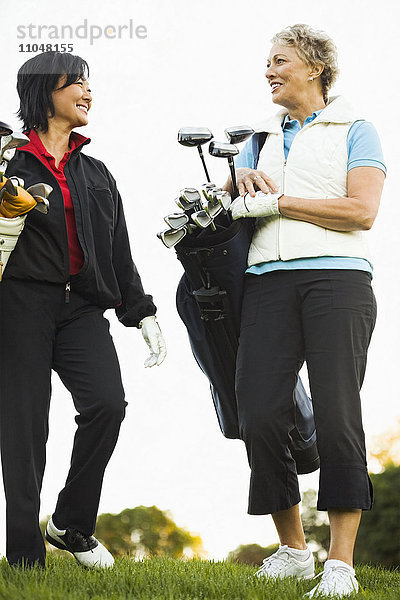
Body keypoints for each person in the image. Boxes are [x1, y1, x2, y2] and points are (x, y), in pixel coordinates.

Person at [227, 24, 385, 598]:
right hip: (266, 283)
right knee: (260, 413)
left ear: (315, 67)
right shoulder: (260, 135)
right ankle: (293, 549)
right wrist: (239, 175)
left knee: (339, 414)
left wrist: (283, 201)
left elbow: (362, 210)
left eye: (279, 61)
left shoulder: (357, 129)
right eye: (267, 62)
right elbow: (237, 196)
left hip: (337, 282)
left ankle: (340, 563)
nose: (269, 70)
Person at [0, 51, 166, 569]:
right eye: (77, 83)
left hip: (79, 307)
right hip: (19, 302)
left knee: (106, 405)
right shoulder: (8, 161)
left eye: (89, 84)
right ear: (46, 91)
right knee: (25, 428)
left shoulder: (96, 171)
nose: (88, 93)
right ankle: (25, 557)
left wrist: (141, 311)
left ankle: (71, 524)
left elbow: (117, 247)